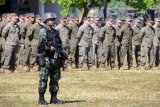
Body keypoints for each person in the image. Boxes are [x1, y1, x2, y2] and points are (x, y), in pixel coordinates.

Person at [37, 12, 68, 105]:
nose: (52, 21)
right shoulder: (43, 31)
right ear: (46, 21)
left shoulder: (55, 31)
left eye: (54, 19)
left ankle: (54, 98)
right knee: (44, 78)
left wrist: (63, 55)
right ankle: (41, 99)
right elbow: (41, 44)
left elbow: (59, 45)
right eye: (51, 19)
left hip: (55, 59)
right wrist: (49, 48)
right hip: (46, 58)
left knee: (55, 78)